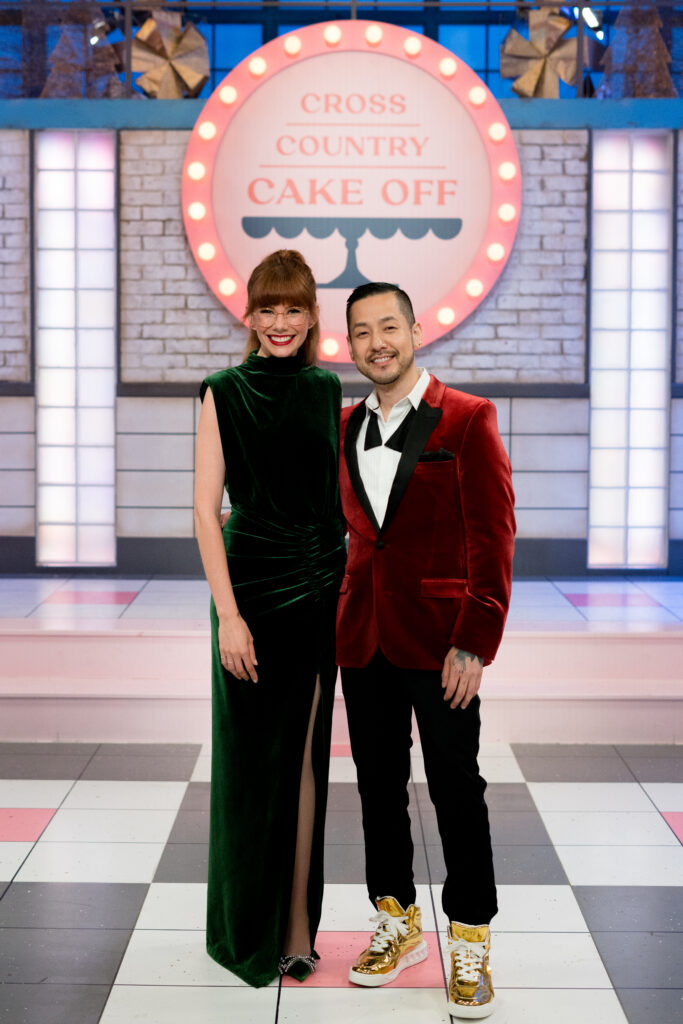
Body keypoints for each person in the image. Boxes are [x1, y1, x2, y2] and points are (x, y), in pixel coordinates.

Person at [337, 282, 515, 1018]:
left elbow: (494, 535)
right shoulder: (342, 425)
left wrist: (475, 640)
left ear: (414, 330)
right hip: (361, 639)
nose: (376, 341)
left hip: (442, 644)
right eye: (360, 332)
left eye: (388, 326)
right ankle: (395, 917)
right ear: (347, 345)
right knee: (377, 786)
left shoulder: (467, 419)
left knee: (454, 788)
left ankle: (468, 938)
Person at [194, 250, 346, 987]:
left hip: (317, 589)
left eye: (293, 309)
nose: (279, 322)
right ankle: (242, 926)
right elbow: (203, 510)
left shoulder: (326, 389)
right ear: (248, 315)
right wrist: (228, 615)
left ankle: (293, 931)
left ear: (313, 316)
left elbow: (335, 500)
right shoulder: (222, 391)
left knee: (305, 763)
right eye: (267, 309)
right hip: (248, 592)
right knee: (250, 765)